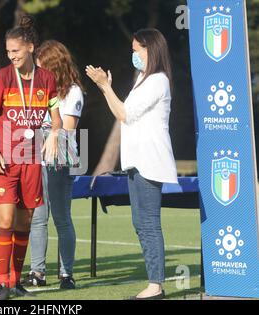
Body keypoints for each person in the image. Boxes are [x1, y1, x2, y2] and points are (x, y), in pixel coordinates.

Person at [86, 28, 177, 300]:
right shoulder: (141, 79)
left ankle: (155, 286)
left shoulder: (158, 81)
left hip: (151, 159)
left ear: (151, 49)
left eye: (137, 49)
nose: (133, 54)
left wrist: (105, 86)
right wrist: (105, 89)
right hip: (135, 160)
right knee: (140, 222)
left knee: (148, 222)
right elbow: (120, 112)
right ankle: (154, 283)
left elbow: (124, 113)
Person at [0, 16, 62, 300]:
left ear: (30, 47)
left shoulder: (47, 79)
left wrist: (54, 134)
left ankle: (16, 281)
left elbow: (56, 117)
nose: (11, 56)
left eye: (15, 51)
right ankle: (2, 283)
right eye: (8, 52)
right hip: (4, 159)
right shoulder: (2, 77)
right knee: (5, 220)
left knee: (24, 223)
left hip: (31, 160)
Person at [24, 40, 84, 290]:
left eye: (41, 68)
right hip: (36, 157)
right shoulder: (39, 90)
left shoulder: (72, 92)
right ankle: (37, 271)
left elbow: (68, 130)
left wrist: (47, 134)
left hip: (61, 157)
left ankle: (66, 274)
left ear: (54, 67)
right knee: (38, 218)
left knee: (61, 217)